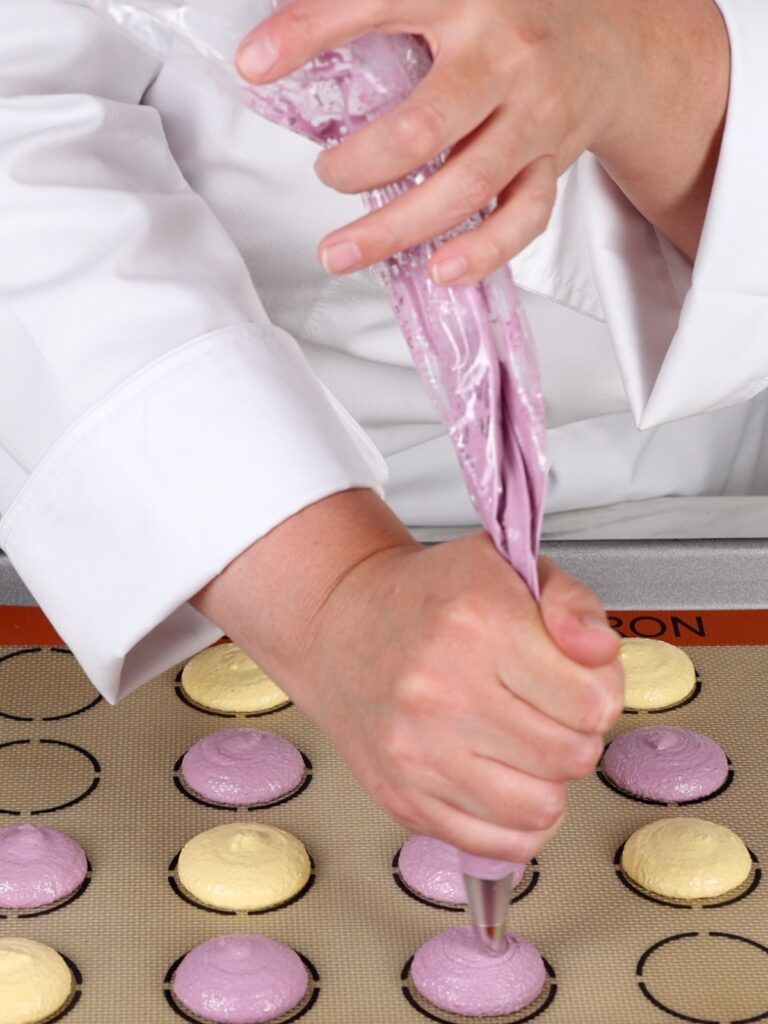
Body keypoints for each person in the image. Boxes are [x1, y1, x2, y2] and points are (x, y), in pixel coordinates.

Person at [1, 0, 766, 860]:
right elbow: (19, 131)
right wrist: (329, 596)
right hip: (196, 494)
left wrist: (666, 64)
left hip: (665, 493)